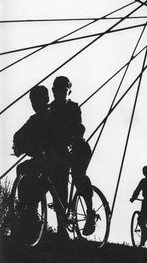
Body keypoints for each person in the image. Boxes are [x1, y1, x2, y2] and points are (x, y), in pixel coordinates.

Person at [48, 76, 95, 236]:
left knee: (78, 176)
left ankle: (90, 212)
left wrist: (71, 141)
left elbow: (79, 127)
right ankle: (62, 226)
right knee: (58, 186)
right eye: (56, 90)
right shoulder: (50, 109)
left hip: (78, 148)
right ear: (53, 91)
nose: (59, 93)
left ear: (69, 91)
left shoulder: (74, 107)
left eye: (63, 90)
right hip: (60, 150)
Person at [12, 85, 50, 237]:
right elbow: (19, 134)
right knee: (22, 169)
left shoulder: (52, 116)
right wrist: (18, 146)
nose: (34, 105)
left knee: (43, 178)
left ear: (46, 100)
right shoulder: (34, 120)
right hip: (41, 159)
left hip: (55, 159)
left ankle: (31, 207)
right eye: (32, 102)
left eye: (37, 101)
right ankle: (25, 205)